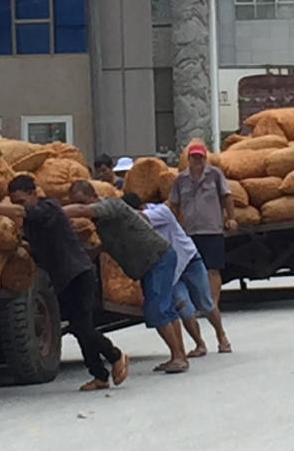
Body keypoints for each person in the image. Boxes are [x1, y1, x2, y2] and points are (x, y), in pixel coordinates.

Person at [0, 176, 129, 391]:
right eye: (15, 201)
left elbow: (22, 213)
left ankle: (115, 355)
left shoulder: (48, 207)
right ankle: (99, 375)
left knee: (82, 327)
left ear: (34, 194)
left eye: (22, 201)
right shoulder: (32, 222)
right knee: (80, 329)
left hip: (79, 275)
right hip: (63, 281)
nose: (18, 206)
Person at [64, 180, 190, 374]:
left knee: (156, 310)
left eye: (82, 201)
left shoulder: (112, 205)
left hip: (158, 258)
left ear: (93, 197)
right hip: (151, 263)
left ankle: (179, 357)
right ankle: (178, 355)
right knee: (166, 310)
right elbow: (105, 245)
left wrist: (56, 212)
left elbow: (82, 210)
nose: (82, 207)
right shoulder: (101, 223)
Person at [124, 193, 217, 364]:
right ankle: (197, 345)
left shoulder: (161, 212)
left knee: (205, 303)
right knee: (182, 307)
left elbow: (140, 218)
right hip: (170, 268)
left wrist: (119, 214)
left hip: (189, 260)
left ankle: (222, 337)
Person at [167, 138, 235, 355]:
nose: (197, 160)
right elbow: (174, 204)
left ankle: (212, 303)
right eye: (194, 157)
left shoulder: (215, 175)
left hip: (212, 229)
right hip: (190, 233)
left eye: (200, 157)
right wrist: (174, 227)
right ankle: (200, 341)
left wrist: (231, 218)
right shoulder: (180, 180)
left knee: (213, 268)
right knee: (190, 276)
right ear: (188, 159)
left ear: (205, 158)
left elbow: (227, 197)